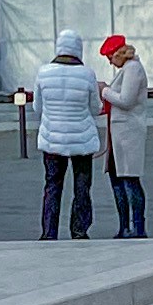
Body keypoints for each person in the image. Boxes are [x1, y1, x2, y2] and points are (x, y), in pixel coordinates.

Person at [31, 30, 100, 241]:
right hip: (82, 138)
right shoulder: (87, 74)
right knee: (82, 186)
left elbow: (37, 107)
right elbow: (95, 108)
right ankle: (79, 230)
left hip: (52, 138)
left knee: (52, 185)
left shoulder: (43, 72)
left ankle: (49, 231)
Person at [99, 30, 152, 237]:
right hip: (118, 134)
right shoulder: (127, 69)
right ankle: (124, 226)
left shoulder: (133, 69)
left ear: (119, 54)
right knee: (117, 180)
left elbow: (127, 100)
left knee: (130, 179)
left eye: (110, 58)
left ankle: (138, 227)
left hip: (129, 132)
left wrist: (104, 91)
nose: (111, 63)